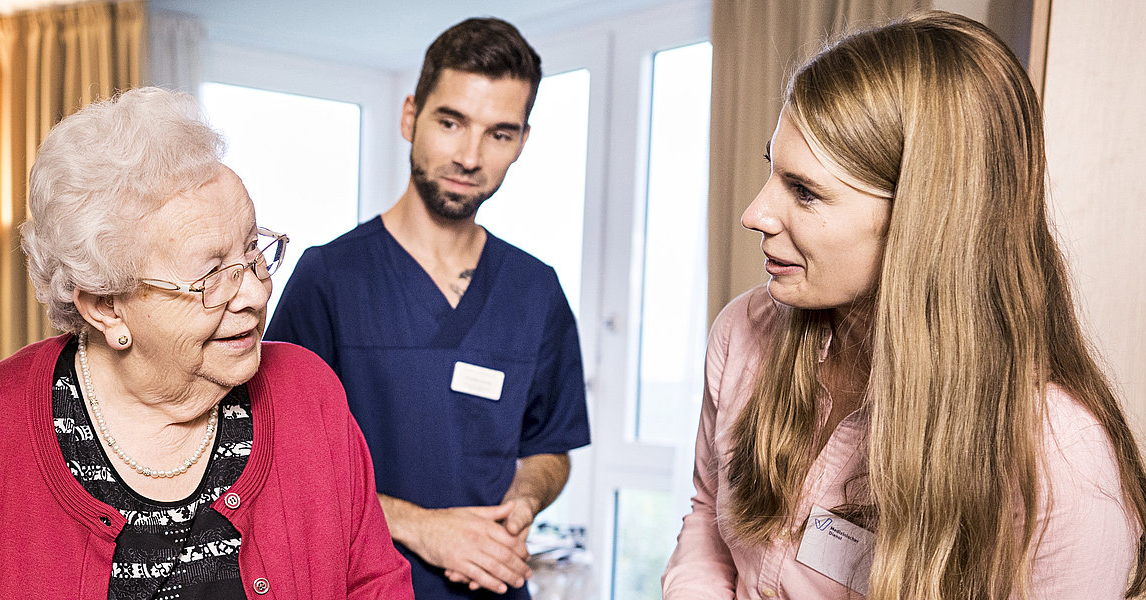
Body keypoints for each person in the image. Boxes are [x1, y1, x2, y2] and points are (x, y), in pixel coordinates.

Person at [0, 87, 412, 599]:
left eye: (253, 251)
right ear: (106, 305)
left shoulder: (306, 393)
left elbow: (373, 582)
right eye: (212, 275)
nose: (255, 294)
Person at [662, 11, 1146, 599]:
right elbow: (709, 516)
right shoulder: (744, 330)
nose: (755, 214)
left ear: (923, 220)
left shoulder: (1060, 461)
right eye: (773, 169)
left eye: (806, 191)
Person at [266, 17, 591, 599]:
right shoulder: (329, 279)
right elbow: (277, 459)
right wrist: (424, 528)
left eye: (499, 133)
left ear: (522, 142)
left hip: (494, 584)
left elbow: (549, 446)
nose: (469, 156)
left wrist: (522, 502)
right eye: (451, 122)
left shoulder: (536, 290)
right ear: (410, 116)